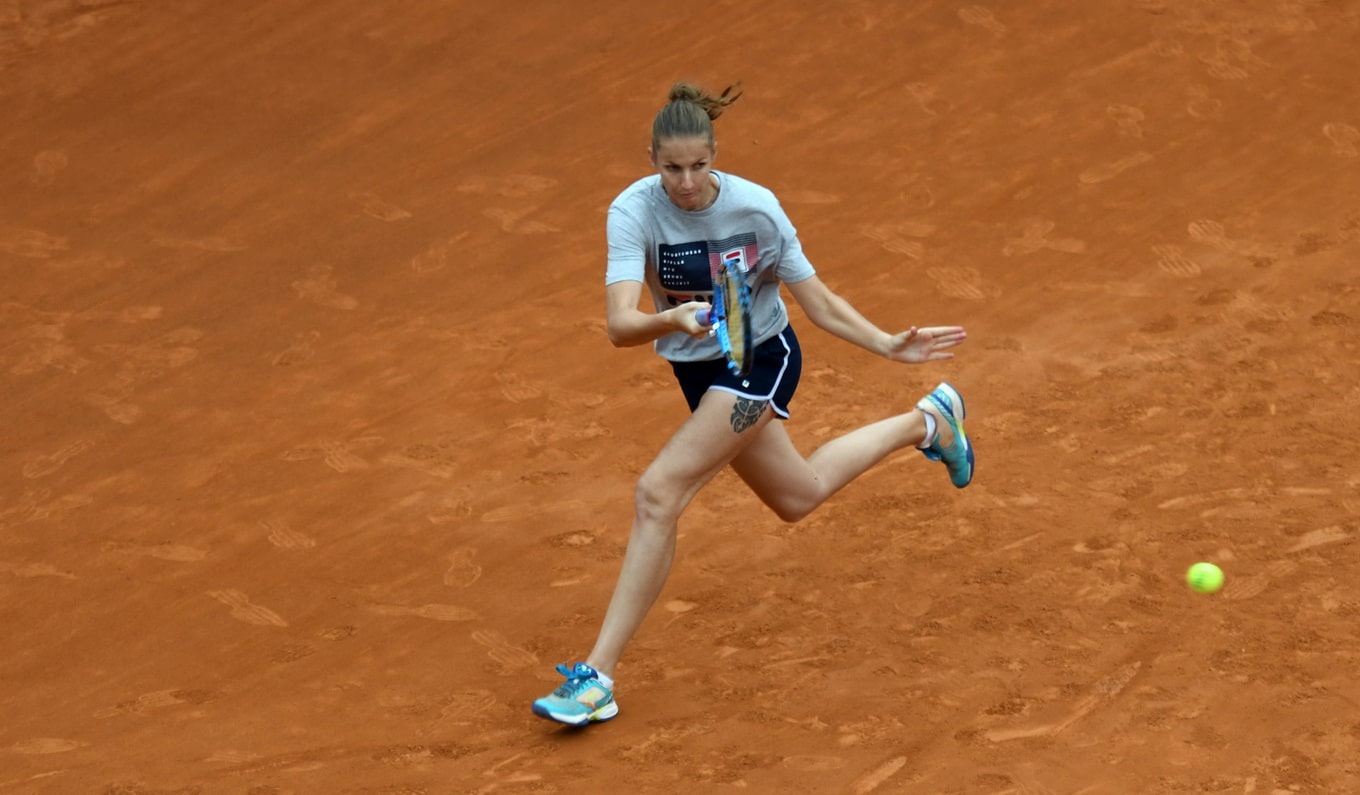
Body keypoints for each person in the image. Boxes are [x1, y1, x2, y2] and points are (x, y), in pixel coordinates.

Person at [531, 81, 974, 726]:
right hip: (698, 369)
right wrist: (672, 321)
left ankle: (596, 678)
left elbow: (816, 302)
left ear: (716, 155)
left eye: (698, 165)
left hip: (761, 357)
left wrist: (885, 343)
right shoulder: (632, 212)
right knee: (799, 496)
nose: (685, 182)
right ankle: (929, 421)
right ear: (651, 158)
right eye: (670, 167)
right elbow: (620, 325)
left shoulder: (757, 210)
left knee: (658, 493)